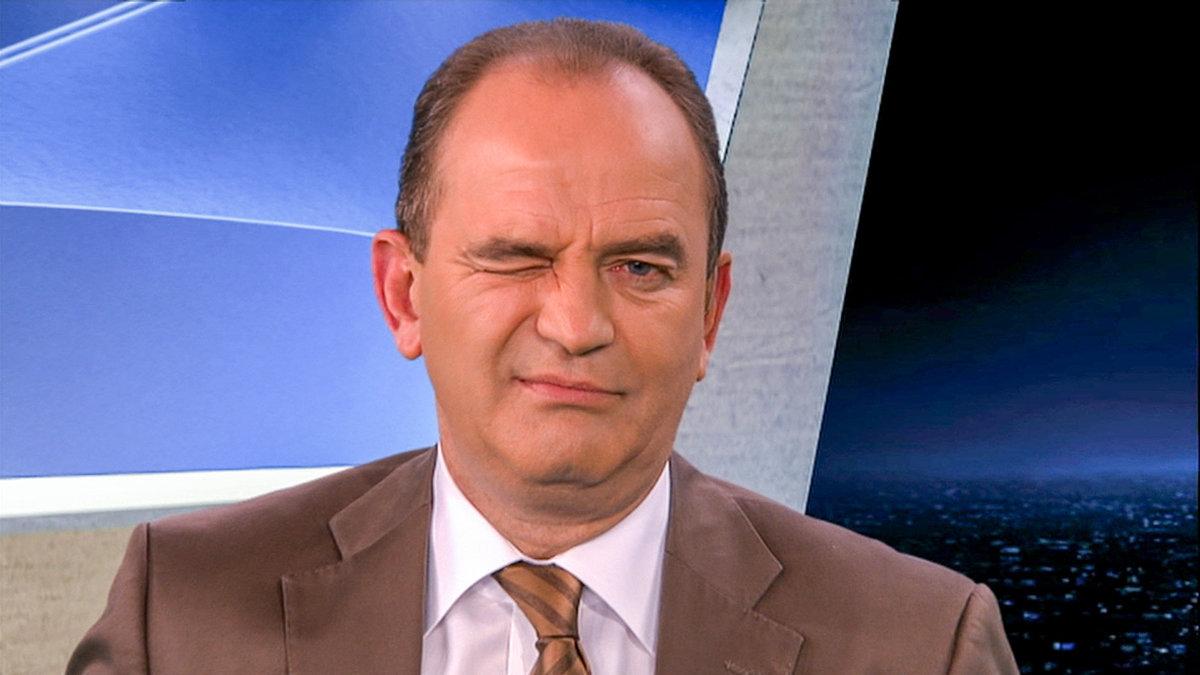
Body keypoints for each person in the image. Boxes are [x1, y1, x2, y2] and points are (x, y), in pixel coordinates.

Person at [69, 18, 1018, 674]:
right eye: (518, 258)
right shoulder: (181, 614)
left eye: (639, 266)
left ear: (710, 314)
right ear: (404, 295)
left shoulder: (919, 643)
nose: (575, 324)